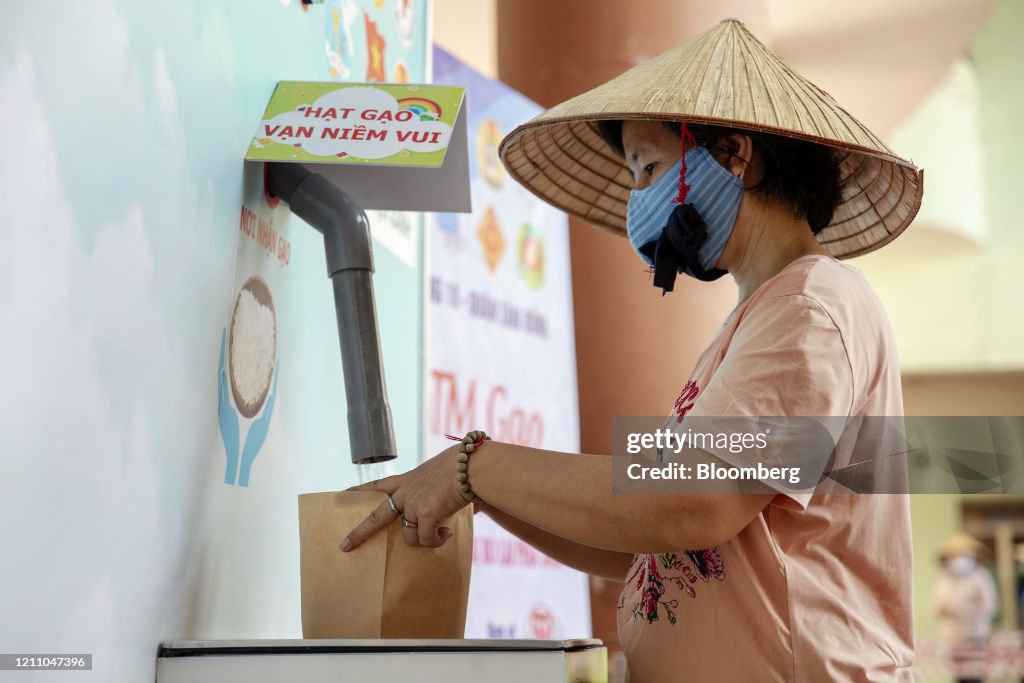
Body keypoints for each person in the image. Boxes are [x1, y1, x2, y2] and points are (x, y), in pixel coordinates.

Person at [341, 19, 922, 682]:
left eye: (648, 166)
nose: (638, 197)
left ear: (734, 152)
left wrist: (473, 466)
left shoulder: (812, 305)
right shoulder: (758, 319)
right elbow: (651, 544)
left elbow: (691, 505)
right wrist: (481, 491)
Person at [933, 533, 998, 683]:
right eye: (955, 555)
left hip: (977, 637)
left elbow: (990, 605)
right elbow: (937, 607)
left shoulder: (981, 576)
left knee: (976, 676)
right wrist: (952, 610)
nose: (959, 559)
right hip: (953, 638)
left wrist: (970, 610)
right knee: (959, 676)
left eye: (963, 554)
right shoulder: (943, 578)